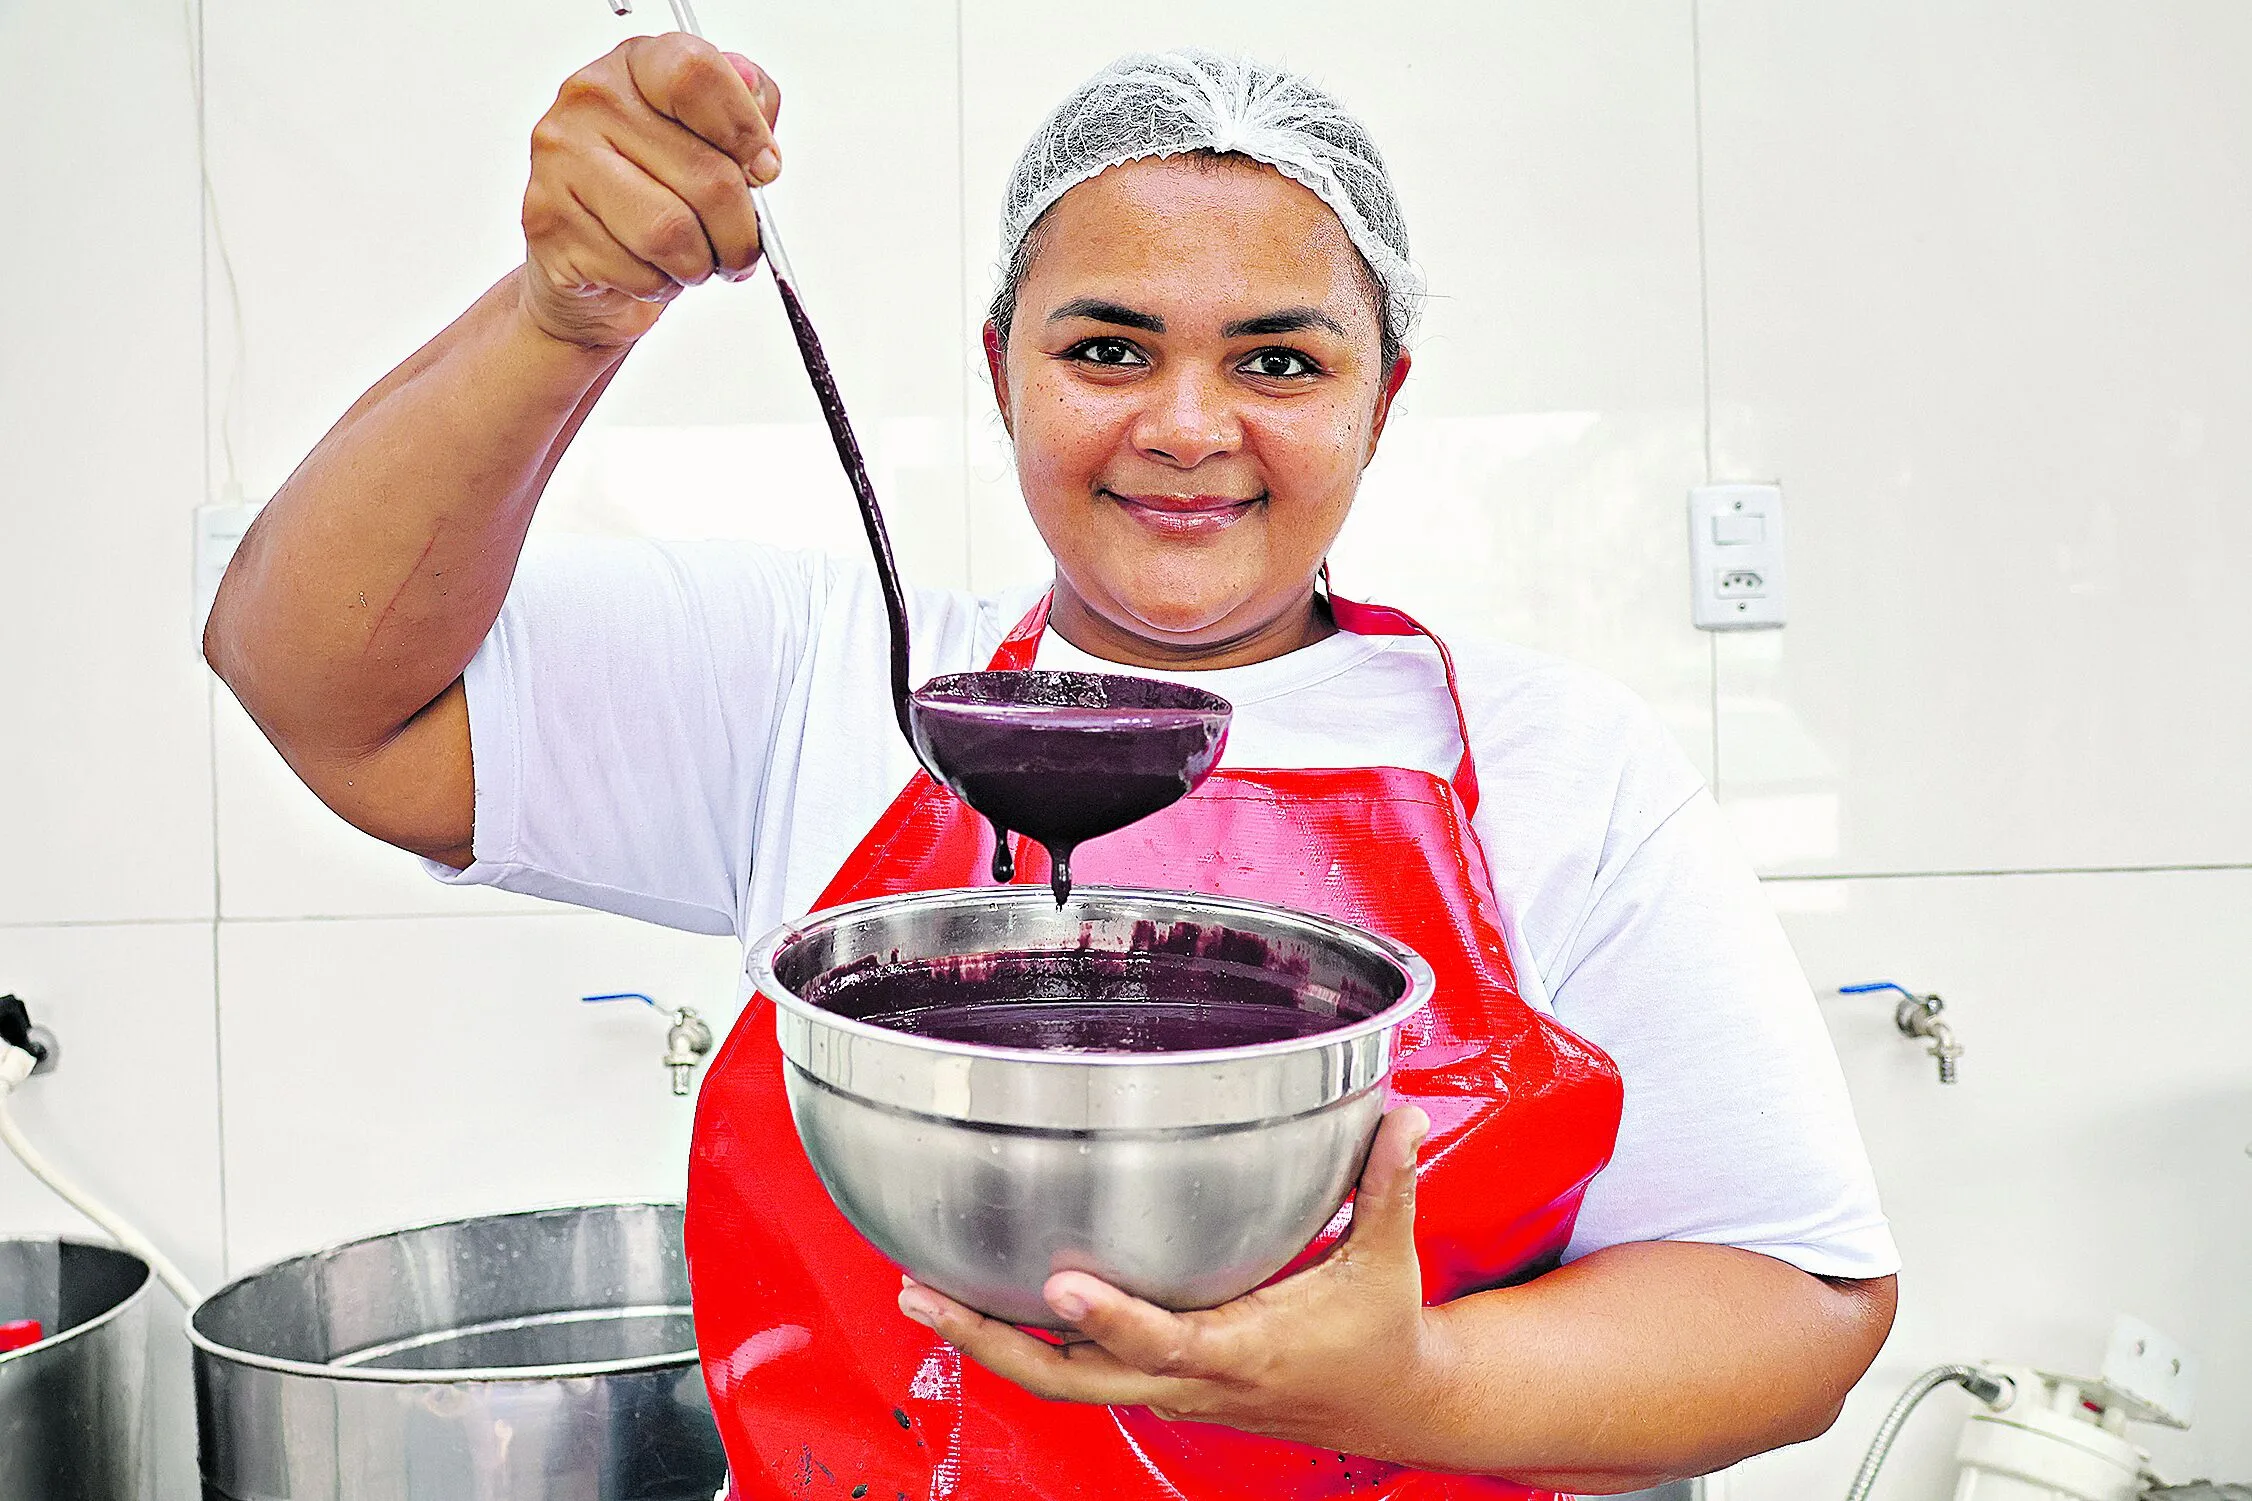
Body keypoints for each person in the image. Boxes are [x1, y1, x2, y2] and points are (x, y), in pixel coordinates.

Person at [205, 38, 1899, 1499]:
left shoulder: (1552, 768)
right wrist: (565, 309)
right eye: (1106, 348)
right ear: (1000, 369)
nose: (1182, 423)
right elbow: (318, 687)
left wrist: (1401, 1389)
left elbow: (1797, 1305)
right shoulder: (818, 678)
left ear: (1384, 400)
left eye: (1279, 359)